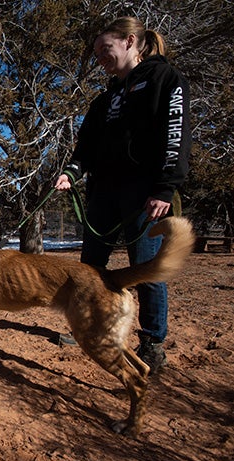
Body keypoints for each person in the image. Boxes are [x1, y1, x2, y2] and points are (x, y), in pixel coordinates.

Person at [54, 17, 191, 373]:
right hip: (104, 193)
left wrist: (165, 187)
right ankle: (90, 327)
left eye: (105, 49)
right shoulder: (106, 98)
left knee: (144, 269)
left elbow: (175, 136)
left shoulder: (164, 79)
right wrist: (72, 172)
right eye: (97, 52)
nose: (100, 56)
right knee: (91, 269)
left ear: (130, 41)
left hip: (144, 194)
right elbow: (85, 148)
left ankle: (152, 341)